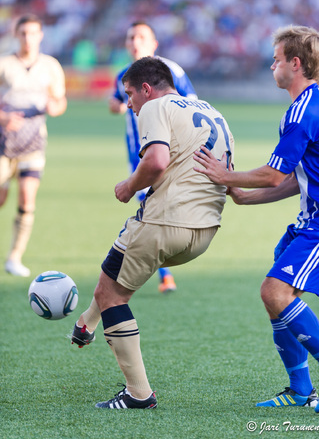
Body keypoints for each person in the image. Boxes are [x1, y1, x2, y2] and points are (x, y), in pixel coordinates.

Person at [71, 56, 234, 409]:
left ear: (147, 88)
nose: (128, 103)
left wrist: (130, 186)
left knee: (114, 296)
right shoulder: (211, 109)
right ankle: (86, 322)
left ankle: (138, 394)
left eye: (129, 93)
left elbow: (157, 160)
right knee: (112, 272)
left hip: (166, 221)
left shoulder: (155, 106)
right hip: (205, 229)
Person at [194, 25, 319, 410]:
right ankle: (300, 390)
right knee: (276, 297)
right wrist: (247, 198)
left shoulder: (303, 111)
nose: (271, 66)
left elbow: (275, 173)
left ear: (295, 64)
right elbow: (299, 178)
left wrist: (224, 174)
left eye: (277, 59)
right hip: (307, 221)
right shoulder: (309, 104)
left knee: (275, 292)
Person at [109, 21, 198, 293]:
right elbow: (114, 104)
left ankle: (155, 269)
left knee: (156, 211)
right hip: (139, 155)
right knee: (151, 209)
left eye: (141, 36)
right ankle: (163, 273)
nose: (135, 41)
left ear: (154, 43)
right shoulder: (123, 75)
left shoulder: (173, 71)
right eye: (130, 37)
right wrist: (120, 102)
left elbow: (192, 103)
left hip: (170, 151)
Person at [0, 14, 67, 277]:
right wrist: (5, 118)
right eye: (23, 33)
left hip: (33, 141)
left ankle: (15, 257)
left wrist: (55, 106)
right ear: (16, 35)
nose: (28, 38)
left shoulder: (50, 66)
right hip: (3, 142)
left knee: (28, 198)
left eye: (33, 33)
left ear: (41, 36)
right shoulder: (5, 64)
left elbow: (60, 102)